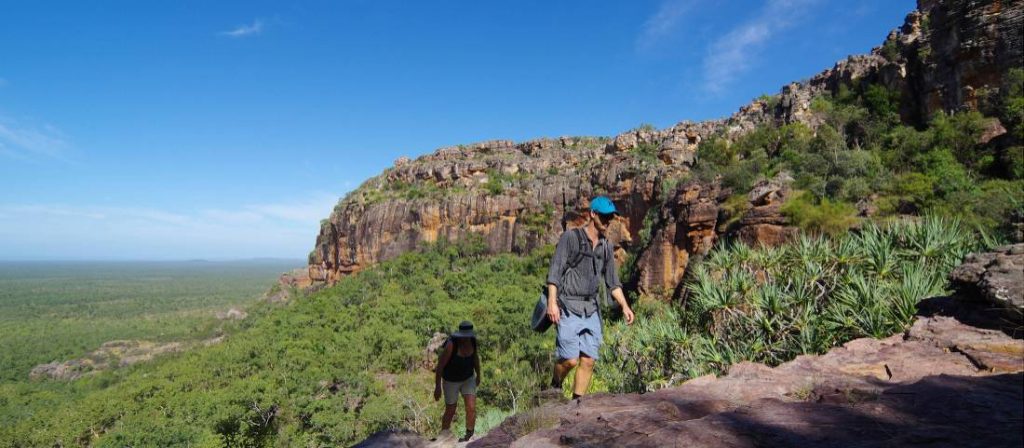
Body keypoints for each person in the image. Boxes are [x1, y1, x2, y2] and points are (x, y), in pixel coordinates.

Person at [546, 196, 635, 399]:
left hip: (591, 309)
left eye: (610, 218)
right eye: (604, 217)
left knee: (588, 360)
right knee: (569, 359)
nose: (607, 221)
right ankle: (554, 384)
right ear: (593, 214)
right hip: (568, 305)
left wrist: (625, 306)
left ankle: (577, 404)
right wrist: (552, 302)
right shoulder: (571, 237)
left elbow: (613, 282)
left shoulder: (605, 246)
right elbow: (555, 271)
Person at [433, 321, 481, 442]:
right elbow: (440, 366)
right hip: (451, 380)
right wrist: (437, 387)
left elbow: (475, 358)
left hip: (468, 378)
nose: (466, 339)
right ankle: (443, 436)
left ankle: (469, 436)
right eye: (464, 336)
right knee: (451, 409)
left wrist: (478, 375)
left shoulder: (473, 342)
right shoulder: (451, 345)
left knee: (471, 407)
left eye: (468, 336)